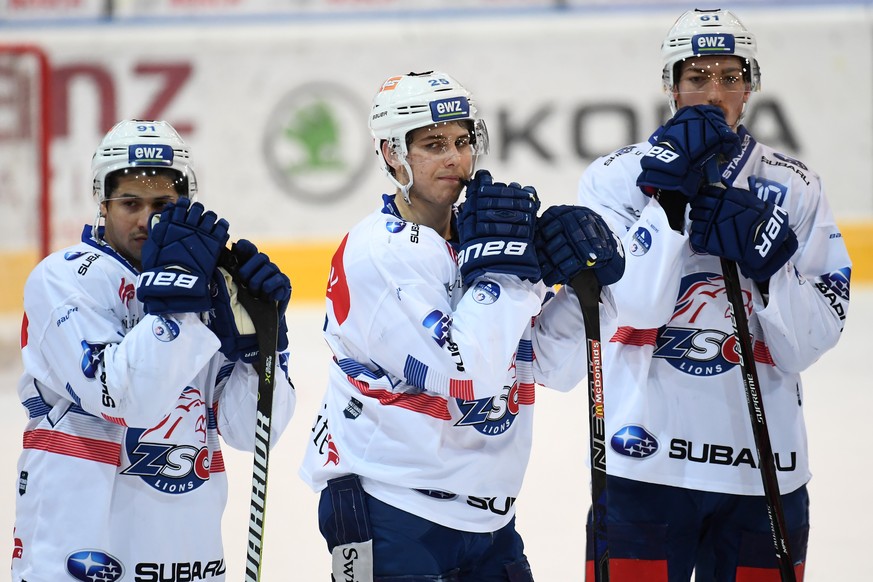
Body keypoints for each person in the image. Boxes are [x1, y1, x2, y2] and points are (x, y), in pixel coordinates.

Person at [299, 70, 625, 581]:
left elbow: (552, 366)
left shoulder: (479, 239)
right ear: (392, 155)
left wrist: (591, 291)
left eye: (462, 141)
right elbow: (465, 375)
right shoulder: (378, 253)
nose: (455, 158)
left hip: (489, 522)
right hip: (391, 512)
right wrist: (513, 274)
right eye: (433, 145)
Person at [577, 8, 852, 582]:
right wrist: (670, 206)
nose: (713, 92)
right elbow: (634, 307)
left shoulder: (795, 186)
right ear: (670, 84)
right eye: (697, 76)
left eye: (729, 77)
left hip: (764, 470)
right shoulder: (615, 178)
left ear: (749, 87)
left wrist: (772, 266)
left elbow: (808, 343)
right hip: (643, 464)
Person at [13, 119, 296, 581]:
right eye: (130, 203)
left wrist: (263, 351)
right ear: (102, 205)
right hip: (79, 555)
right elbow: (123, 399)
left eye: (162, 204)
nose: (146, 218)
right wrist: (177, 307)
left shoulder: (212, 288)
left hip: (188, 557)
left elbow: (252, 432)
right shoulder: (64, 279)